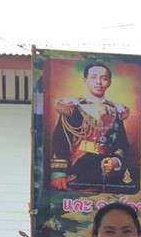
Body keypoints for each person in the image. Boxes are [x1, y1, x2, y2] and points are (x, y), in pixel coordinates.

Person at [50, 61, 136, 193]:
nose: (98, 82)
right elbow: (60, 141)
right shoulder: (72, 108)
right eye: (93, 77)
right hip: (77, 168)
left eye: (104, 78)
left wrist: (115, 161)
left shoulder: (115, 110)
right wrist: (59, 173)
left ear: (109, 82)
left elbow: (121, 144)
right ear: (85, 80)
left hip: (107, 171)